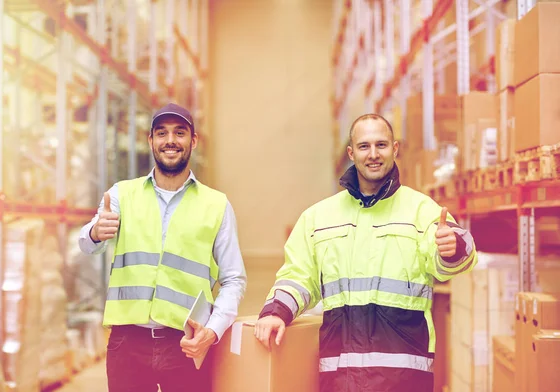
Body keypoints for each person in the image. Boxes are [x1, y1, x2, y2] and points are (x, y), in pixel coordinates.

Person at [254, 114, 477, 392]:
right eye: (364, 146)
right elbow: (298, 276)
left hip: (403, 376)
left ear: (395, 149)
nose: (373, 154)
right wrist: (277, 312)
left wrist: (452, 248)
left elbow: (453, 260)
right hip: (340, 375)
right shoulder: (318, 217)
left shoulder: (421, 210)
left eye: (381, 145)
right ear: (351, 153)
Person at [78, 102, 247, 392]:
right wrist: (95, 232)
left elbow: (234, 279)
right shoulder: (122, 194)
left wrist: (212, 332)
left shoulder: (216, 205)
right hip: (127, 343)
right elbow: (86, 245)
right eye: (162, 133)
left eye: (179, 133)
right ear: (151, 141)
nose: (170, 141)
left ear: (193, 141)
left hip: (185, 343)